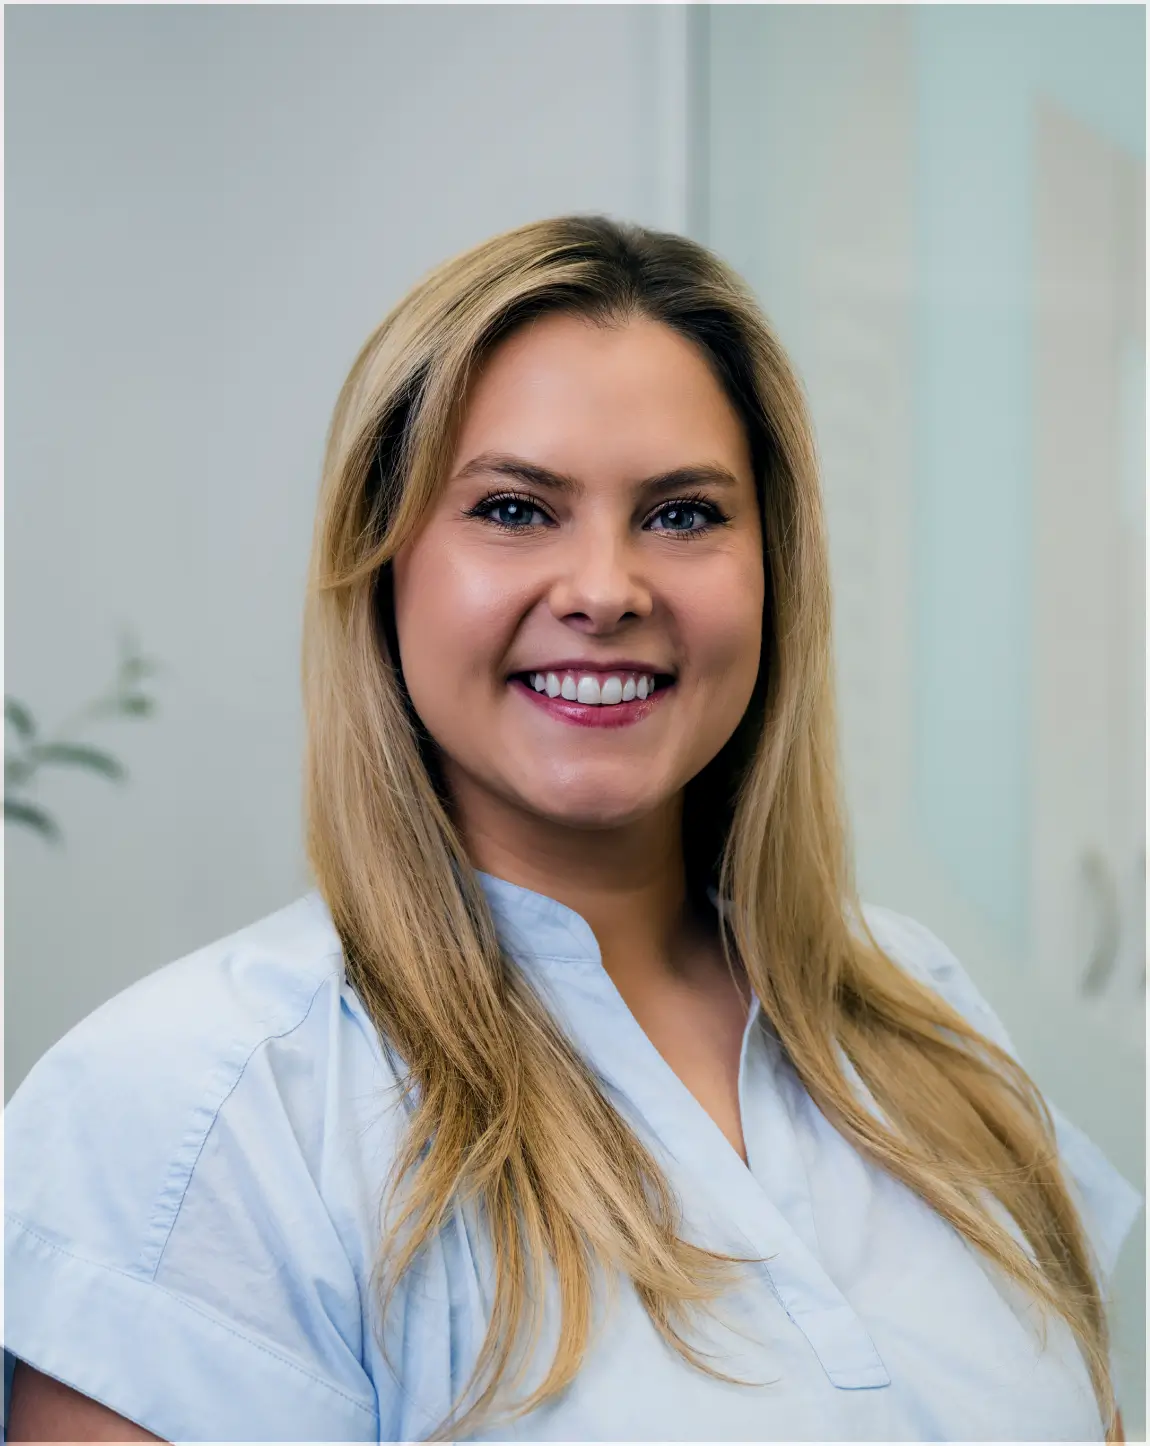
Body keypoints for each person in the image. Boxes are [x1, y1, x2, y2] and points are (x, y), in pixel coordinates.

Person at [3, 215, 1141, 1444]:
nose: (604, 589)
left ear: (775, 572)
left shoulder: (924, 1019)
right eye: (513, 509)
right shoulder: (201, 1110)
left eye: (682, 515)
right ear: (382, 568)